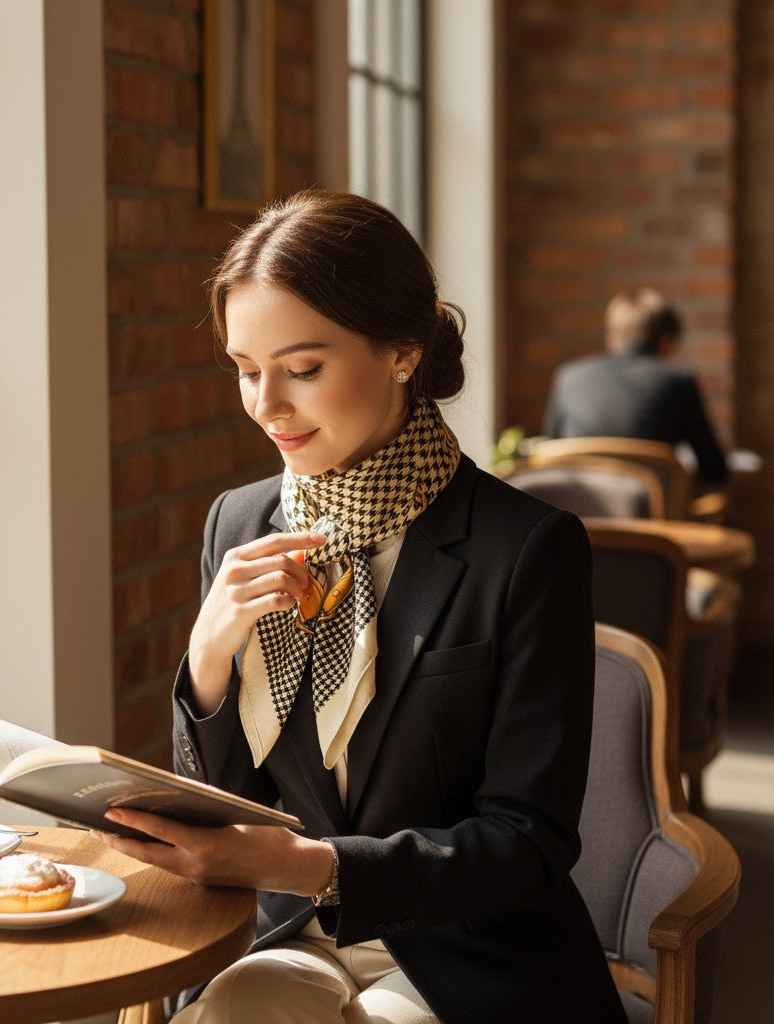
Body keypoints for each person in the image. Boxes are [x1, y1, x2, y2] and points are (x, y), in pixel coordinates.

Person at [93, 190, 627, 1024]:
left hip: (468, 952)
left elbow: (529, 844)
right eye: (245, 369)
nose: (266, 405)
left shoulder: (527, 548)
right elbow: (223, 799)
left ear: (403, 352)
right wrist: (207, 659)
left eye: (303, 369)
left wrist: (310, 865)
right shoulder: (241, 523)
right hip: (290, 934)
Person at [541, 287, 728, 484]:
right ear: (666, 341)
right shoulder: (678, 381)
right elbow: (714, 470)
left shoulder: (569, 377)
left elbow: (549, 454)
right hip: (651, 504)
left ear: (612, 339)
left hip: (575, 500)